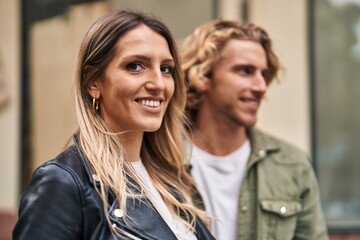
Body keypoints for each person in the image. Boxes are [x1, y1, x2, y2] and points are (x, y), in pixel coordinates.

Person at [13, 10, 214, 240]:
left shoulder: (172, 182)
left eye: (166, 69)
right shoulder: (64, 182)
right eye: (136, 66)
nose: (159, 84)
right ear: (93, 82)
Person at [180, 19, 329, 240]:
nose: (261, 87)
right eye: (245, 71)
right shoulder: (160, 159)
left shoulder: (292, 164)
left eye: (264, 74)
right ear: (203, 75)